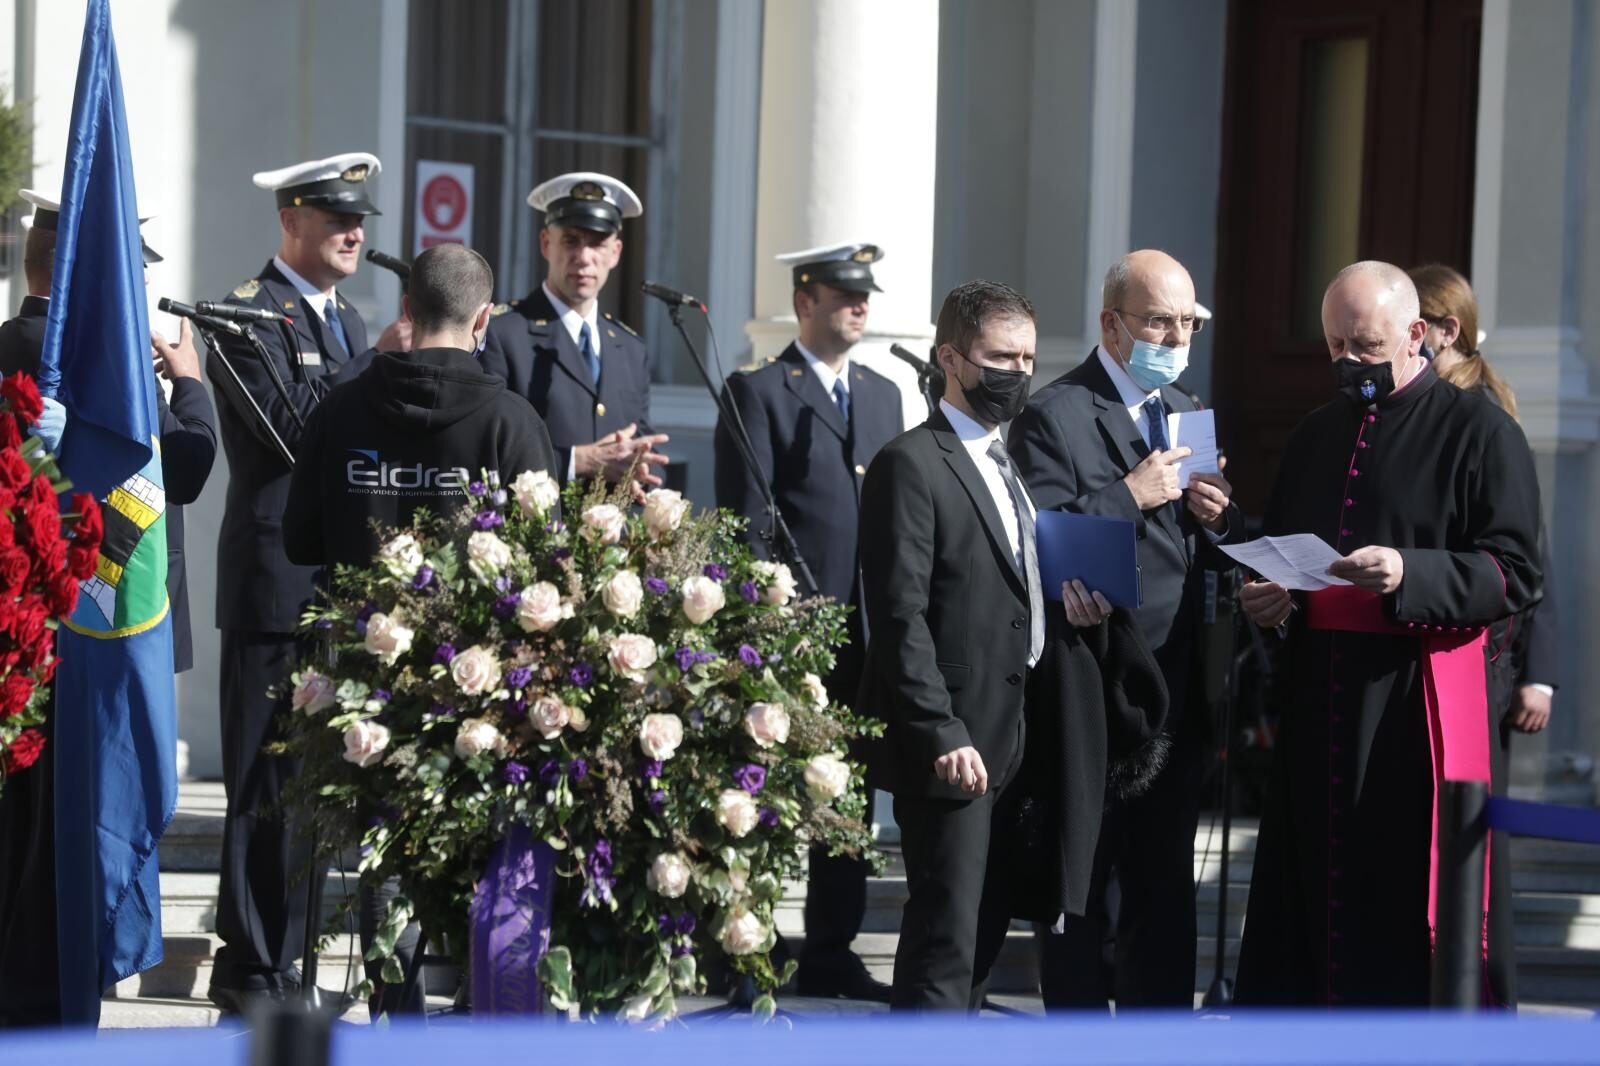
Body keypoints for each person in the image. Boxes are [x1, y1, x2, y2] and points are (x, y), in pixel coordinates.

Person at [1234, 261, 1542, 1006]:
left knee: (1396, 896)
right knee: (1309, 897)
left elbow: (1514, 574)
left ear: (1415, 336)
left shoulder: (1481, 432)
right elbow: (1283, 553)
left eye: (1364, 347)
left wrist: (1411, 571)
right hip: (1319, 706)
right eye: (1336, 347)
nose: (1348, 363)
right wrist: (1273, 604)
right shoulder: (1312, 436)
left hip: (1413, 709)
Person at [283, 243, 557, 1014]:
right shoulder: (511, 421)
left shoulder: (341, 410)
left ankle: (397, 1025)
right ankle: (481, 1022)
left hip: (369, 684)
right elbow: (548, 570)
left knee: (386, 861)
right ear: (484, 319)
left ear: (407, 313)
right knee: (485, 859)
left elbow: (300, 541)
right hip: (487, 696)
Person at [859, 280, 1114, 1011]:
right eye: (1000, 358)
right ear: (951, 358)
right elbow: (900, 615)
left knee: (984, 941)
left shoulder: (1016, 465)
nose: (1018, 374)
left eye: (1028, 358)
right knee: (945, 940)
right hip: (955, 741)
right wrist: (939, 728)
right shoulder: (912, 463)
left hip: (1023, 734)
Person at [0, 189, 217, 1026]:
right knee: (73, 852)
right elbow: (185, 469)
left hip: (23, 652)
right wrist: (190, 384)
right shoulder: (106, 373)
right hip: (92, 642)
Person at [1008, 249, 1241, 1010]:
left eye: (1187, 325)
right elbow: (1037, 538)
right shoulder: (1055, 412)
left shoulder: (1187, 406)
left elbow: (1199, 542)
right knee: (1085, 878)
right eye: (1158, 322)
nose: (1174, 340)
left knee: (1163, 880)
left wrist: (1219, 515)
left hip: (1175, 682)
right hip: (1096, 682)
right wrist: (1130, 493)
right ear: (1113, 325)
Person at [206, 152, 404, 1013]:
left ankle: (285, 963)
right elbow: (287, 431)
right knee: (262, 783)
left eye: (359, 218)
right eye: (334, 216)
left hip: (335, 581)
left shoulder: (351, 323)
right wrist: (375, 369)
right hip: (273, 582)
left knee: (315, 789)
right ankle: (250, 965)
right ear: (291, 220)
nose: (354, 231)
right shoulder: (245, 315)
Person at [713, 242, 902, 1001]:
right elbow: (748, 524)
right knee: (763, 793)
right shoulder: (759, 390)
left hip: (866, 633)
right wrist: (773, 622)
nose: (859, 306)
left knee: (847, 797)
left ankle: (831, 945)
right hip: (795, 632)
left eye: (865, 296)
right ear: (805, 302)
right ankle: (743, 941)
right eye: (843, 294)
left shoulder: (885, 394)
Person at [1410, 261, 1554, 1006]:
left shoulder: (1484, 416)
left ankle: (1480, 993)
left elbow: (1529, 560)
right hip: (1427, 651)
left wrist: (1541, 670)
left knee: (1471, 844)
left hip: (1480, 659)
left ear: (1442, 330)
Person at [481, 171, 667, 494]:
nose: (583, 257)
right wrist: (577, 462)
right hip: (533, 536)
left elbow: (639, 440)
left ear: (616, 252)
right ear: (545, 243)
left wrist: (640, 465)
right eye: (571, 241)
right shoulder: (503, 333)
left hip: (611, 537)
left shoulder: (630, 347)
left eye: (597, 243)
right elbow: (485, 448)